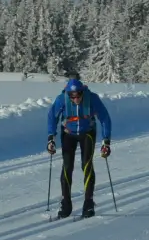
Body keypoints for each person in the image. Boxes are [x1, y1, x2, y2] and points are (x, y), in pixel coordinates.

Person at [46, 75, 112, 219]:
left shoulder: (92, 98)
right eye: (72, 96)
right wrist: (51, 137)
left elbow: (105, 118)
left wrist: (106, 140)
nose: (76, 99)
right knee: (67, 166)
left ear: (82, 91)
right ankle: (66, 202)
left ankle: (88, 203)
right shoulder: (61, 99)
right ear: (68, 94)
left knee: (86, 165)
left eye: (78, 95)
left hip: (87, 133)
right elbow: (52, 117)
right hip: (68, 133)